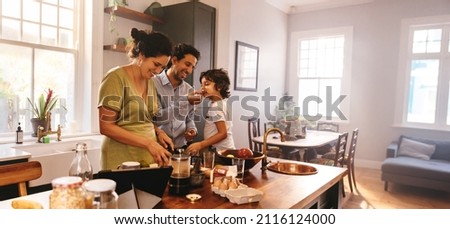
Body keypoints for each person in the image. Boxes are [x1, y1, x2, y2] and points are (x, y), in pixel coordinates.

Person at [97, 28, 174, 170]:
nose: (158, 72)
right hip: (120, 159)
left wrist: (158, 132)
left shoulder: (149, 80)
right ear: (142, 55)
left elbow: (141, 119)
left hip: (146, 159)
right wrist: (148, 143)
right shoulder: (115, 78)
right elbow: (106, 127)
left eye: (162, 67)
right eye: (156, 64)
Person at [153, 43, 201, 149]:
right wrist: (185, 100)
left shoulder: (189, 89)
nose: (189, 71)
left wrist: (192, 129)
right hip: (158, 147)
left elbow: (189, 118)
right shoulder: (153, 83)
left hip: (180, 147)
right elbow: (157, 118)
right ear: (174, 60)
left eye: (192, 67)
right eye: (187, 64)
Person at [186, 68, 235, 153]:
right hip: (226, 150)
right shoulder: (223, 103)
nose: (202, 88)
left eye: (207, 84)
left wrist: (201, 145)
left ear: (219, 86)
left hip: (220, 152)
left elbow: (223, 133)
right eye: (201, 85)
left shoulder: (216, 107)